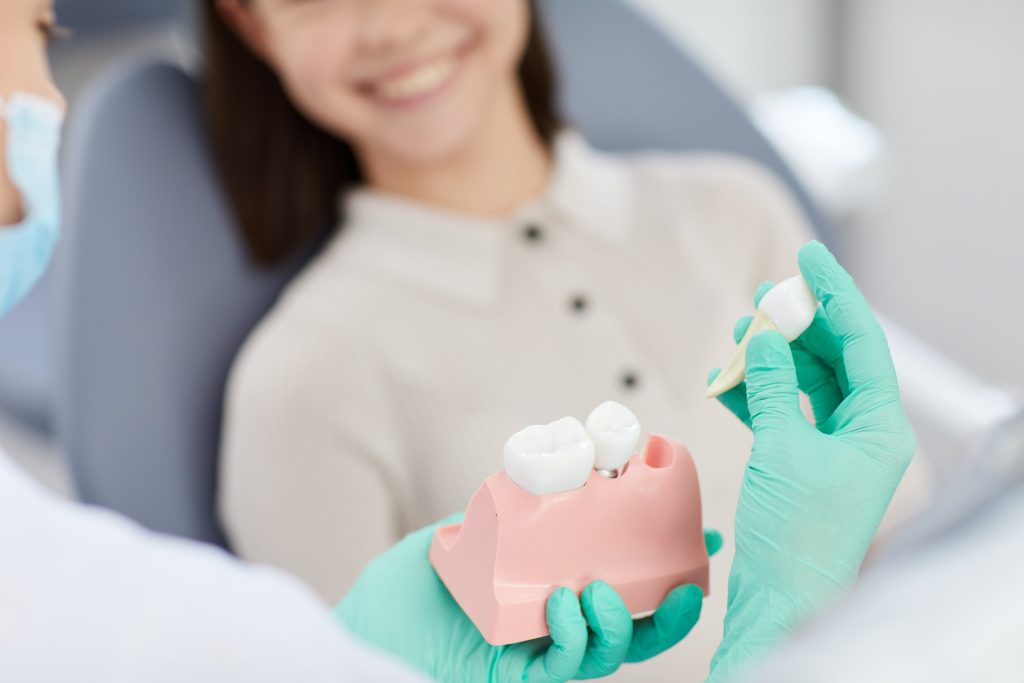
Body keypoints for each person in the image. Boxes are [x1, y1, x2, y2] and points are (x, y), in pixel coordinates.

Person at [0, 3, 923, 682]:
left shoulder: (737, 211)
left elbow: (918, 543)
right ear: (251, 25)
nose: (391, 23)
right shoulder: (306, 375)